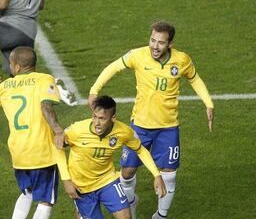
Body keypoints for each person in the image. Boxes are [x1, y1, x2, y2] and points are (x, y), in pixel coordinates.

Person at [88, 21, 214, 219]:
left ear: (170, 44)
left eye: (160, 43)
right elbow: (113, 67)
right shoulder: (138, 55)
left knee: (169, 175)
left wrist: (208, 104)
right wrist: (95, 90)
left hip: (168, 128)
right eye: (152, 40)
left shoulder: (182, 60)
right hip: (140, 126)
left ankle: (161, 216)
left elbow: (194, 79)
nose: (155, 46)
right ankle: (132, 206)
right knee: (127, 173)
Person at [0, 46, 67, 219]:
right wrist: (58, 130)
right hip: (41, 152)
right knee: (45, 200)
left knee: (27, 192)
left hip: (19, 153)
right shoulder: (44, 79)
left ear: (17, 67)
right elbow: (46, 105)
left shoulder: (4, 87)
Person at [60, 96, 166, 219]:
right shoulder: (77, 130)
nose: (97, 123)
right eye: (94, 117)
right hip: (81, 186)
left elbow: (140, 149)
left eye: (102, 119)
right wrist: (66, 180)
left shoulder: (123, 132)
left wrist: (156, 175)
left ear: (113, 118)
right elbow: (57, 147)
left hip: (106, 180)